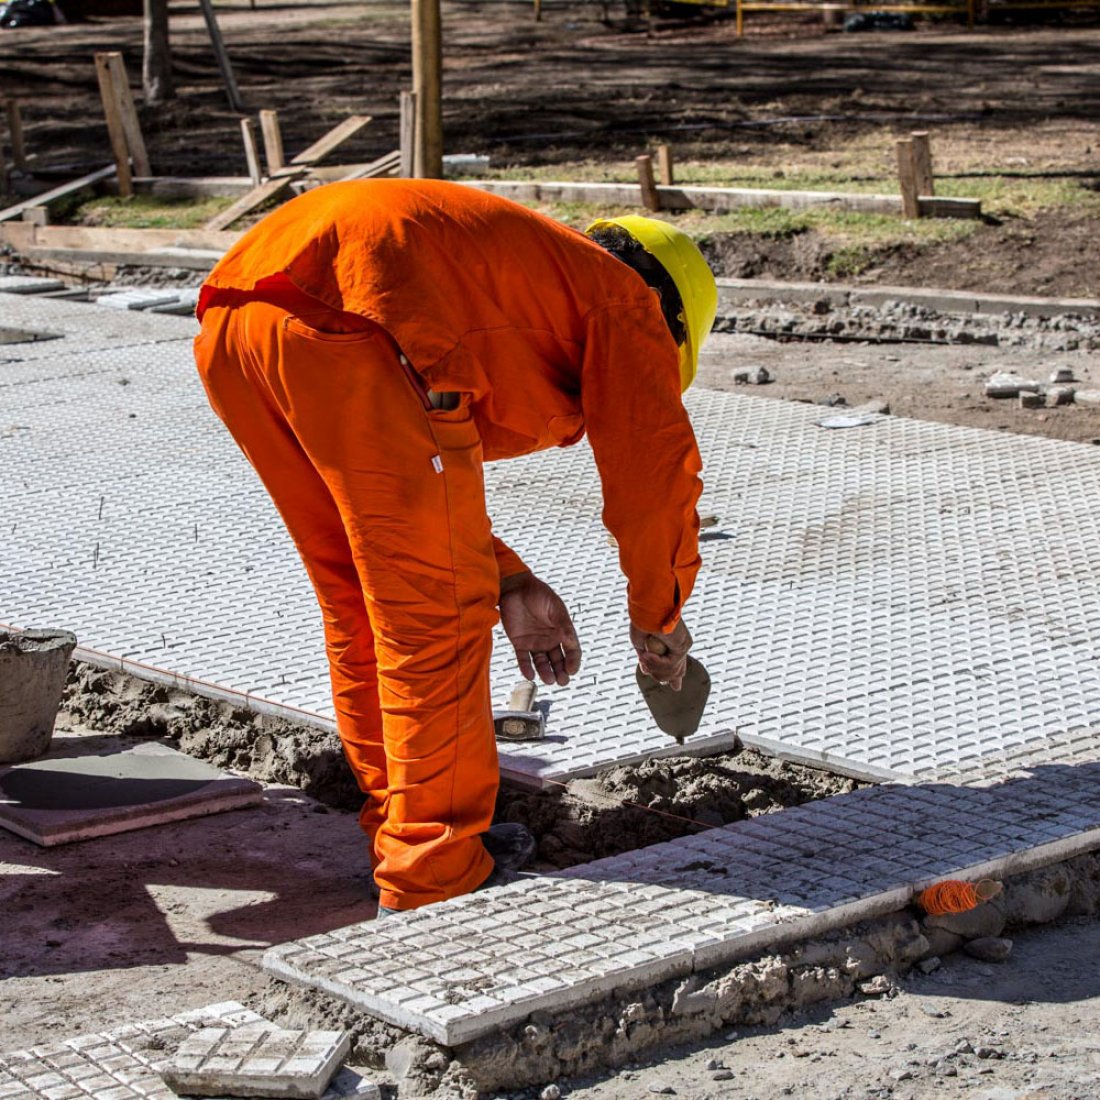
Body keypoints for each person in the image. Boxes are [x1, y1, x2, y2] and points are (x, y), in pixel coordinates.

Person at [193, 179, 717, 915]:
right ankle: (434, 876)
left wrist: (506, 576)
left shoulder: (518, 274)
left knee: (358, 596)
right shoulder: (624, 301)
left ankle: (401, 833)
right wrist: (659, 614)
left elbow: (410, 492)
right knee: (434, 622)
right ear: (675, 320)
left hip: (243, 314)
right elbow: (651, 472)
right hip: (359, 322)